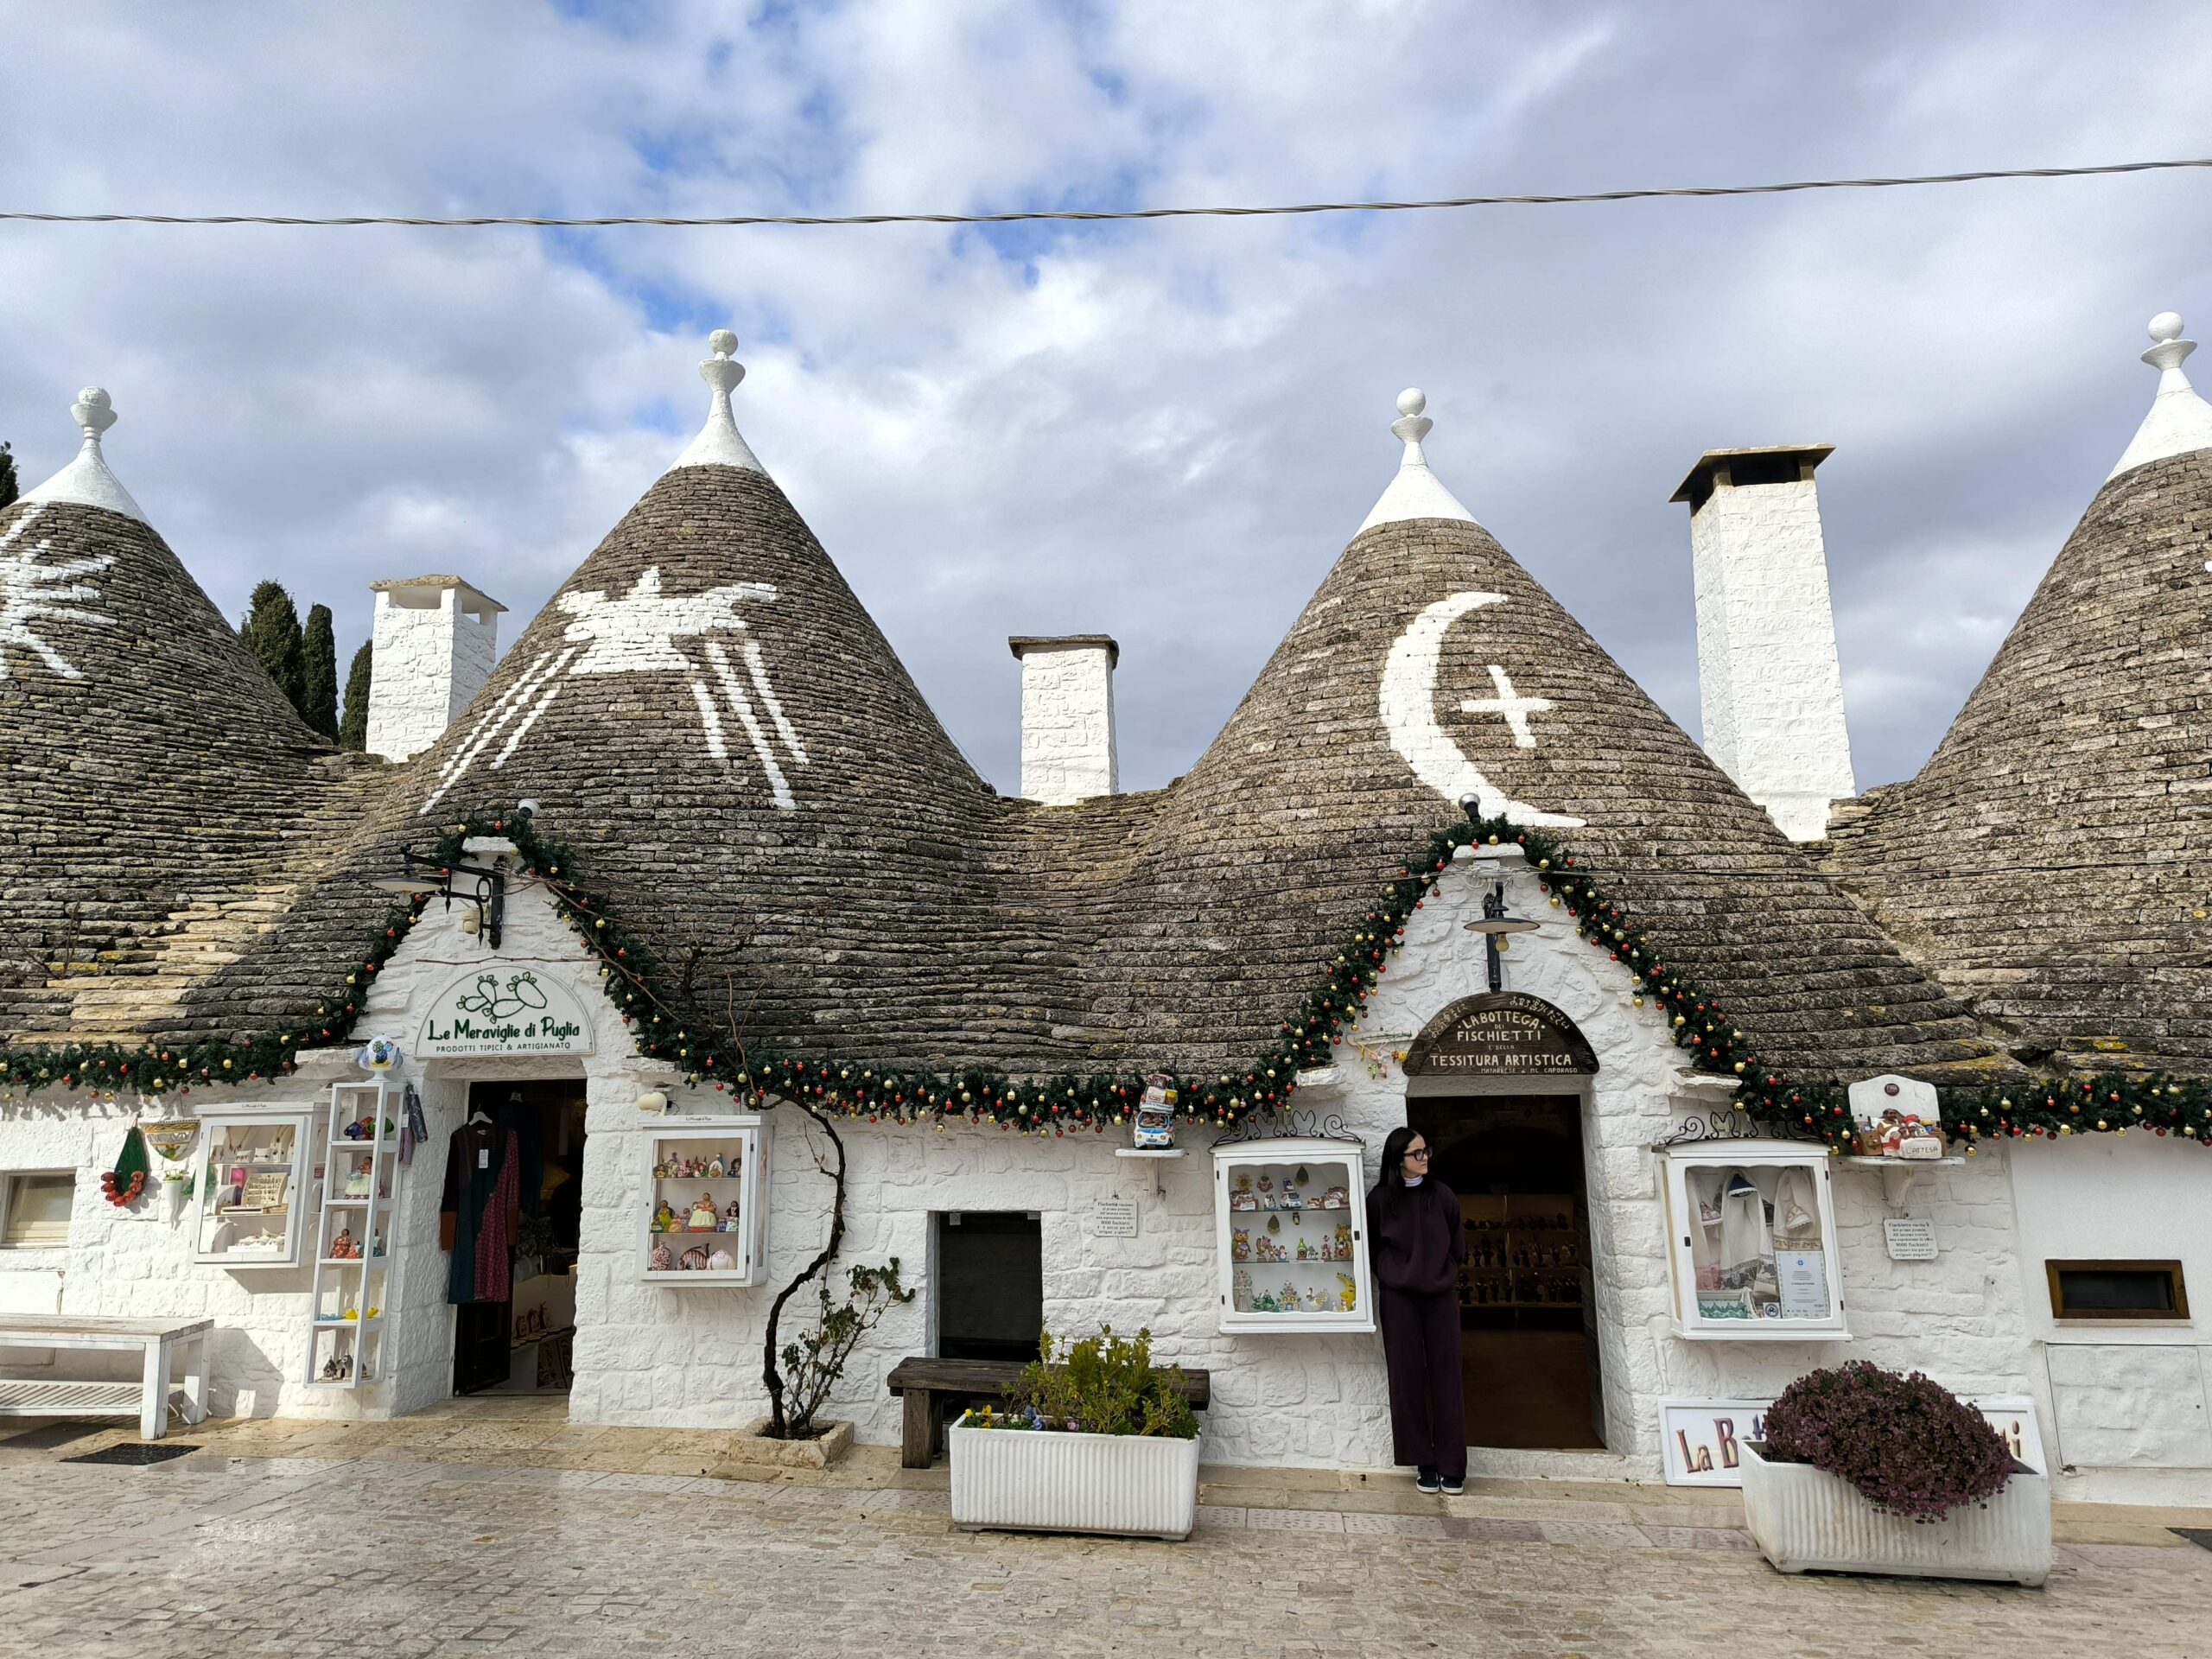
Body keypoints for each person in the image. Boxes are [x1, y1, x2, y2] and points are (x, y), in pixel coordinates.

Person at [1368, 1124, 1467, 1495]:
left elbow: (1457, 1244)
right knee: (1405, 1378)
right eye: (1416, 1153)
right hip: (1399, 1300)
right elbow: (1373, 1248)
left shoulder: (1442, 1196)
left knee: (1447, 1376)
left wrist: (1446, 1273)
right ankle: (1424, 1462)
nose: (1424, 1158)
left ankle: (1452, 1465)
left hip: (1441, 1296)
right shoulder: (1380, 1200)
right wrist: (1391, 1275)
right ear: (1398, 1159)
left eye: (1426, 1151)